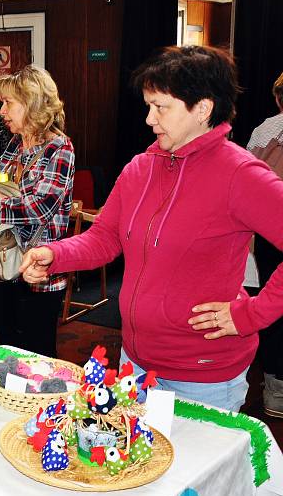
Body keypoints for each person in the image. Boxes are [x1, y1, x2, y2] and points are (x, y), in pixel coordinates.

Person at [20, 46, 283, 413]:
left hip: (202, 377)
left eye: (161, 107)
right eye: (148, 106)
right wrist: (55, 255)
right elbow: (105, 237)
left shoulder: (239, 174)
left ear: (203, 109)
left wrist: (251, 315)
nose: (149, 118)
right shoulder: (140, 169)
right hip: (136, 363)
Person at [0, 67, 75, 357]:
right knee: (8, 350)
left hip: (39, 273)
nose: (1, 112)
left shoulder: (59, 148)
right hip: (1, 269)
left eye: (9, 103)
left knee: (37, 356)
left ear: (33, 104)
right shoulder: (15, 143)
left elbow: (39, 207)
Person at [247, 71, 283, 417]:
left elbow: (244, 181)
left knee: (273, 307)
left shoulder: (264, 132)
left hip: (271, 234)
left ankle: (274, 388)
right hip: (274, 232)